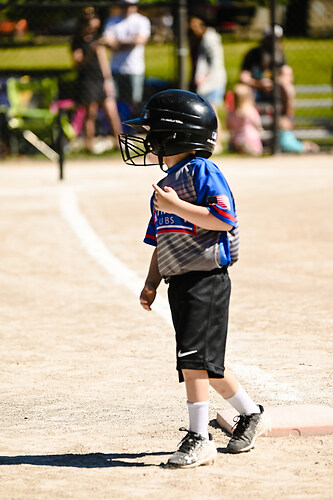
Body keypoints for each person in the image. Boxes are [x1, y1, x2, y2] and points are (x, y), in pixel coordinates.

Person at [118, 89, 270, 469]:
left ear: (176, 136)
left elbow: (222, 218)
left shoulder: (203, 171)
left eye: (153, 134)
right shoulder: (169, 181)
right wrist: (151, 281)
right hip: (180, 282)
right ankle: (250, 415)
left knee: (193, 360)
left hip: (207, 279)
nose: (146, 141)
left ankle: (199, 437)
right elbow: (161, 240)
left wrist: (177, 205)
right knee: (205, 362)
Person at [71, 7, 122, 153]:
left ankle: (119, 142)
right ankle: (89, 145)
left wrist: (108, 79)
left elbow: (103, 61)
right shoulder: (78, 42)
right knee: (91, 113)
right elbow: (78, 64)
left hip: (100, 79)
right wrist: (89, 52)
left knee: (112, 111)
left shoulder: (96, 39)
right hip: (87, 80)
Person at [100, 0, 151, 117]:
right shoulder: (112, 21)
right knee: (114, 99)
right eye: (125, 4)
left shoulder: (142, 20)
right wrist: (129, 42)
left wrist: (118, 43)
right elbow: (106, 41)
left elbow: (140, 40)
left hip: (135, 68)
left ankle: (133, 127)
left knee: (134, 100)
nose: (127, 7)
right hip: (115, 68)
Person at [188, 15, 227, 154]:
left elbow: (215, 63)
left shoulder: (210, 39)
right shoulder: (202, 40)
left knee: (212, 113)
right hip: (207, 81)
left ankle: (218, 142)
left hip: (212, 81)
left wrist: (204, 77)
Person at [240, 25, 295, 118]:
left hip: (274, 89)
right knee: (242, 90)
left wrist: (275, 83)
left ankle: (286, 120)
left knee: (288, 87)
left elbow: (287, 75)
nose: (275, 42)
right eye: (271, 39)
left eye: (278, 39)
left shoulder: (280, 55)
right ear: (265, 38)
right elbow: (243, 76)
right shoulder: (253, 54)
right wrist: (257, 83)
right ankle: (250, 123)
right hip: (255, 88)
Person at [226, 83, 263, 156]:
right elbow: (257, 124)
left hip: (237, 140)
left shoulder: (232, 113)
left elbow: (228, 126)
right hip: (251, 139)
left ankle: (241, 148)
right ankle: (252, 149)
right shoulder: (251, 111)